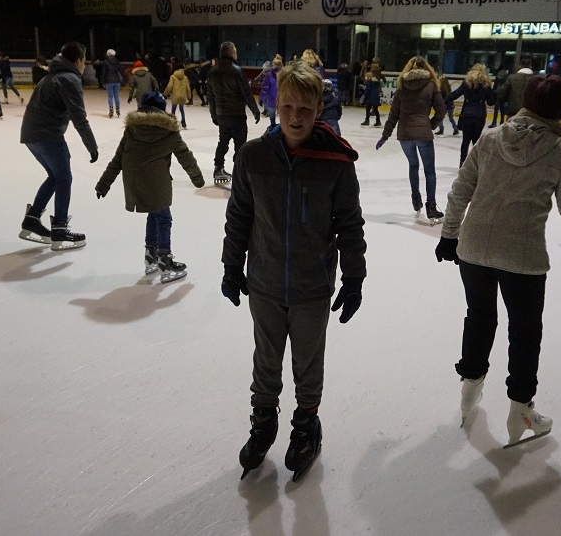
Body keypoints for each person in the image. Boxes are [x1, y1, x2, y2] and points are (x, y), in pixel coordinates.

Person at [434, 74, 561, 448]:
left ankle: (469, 389)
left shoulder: (490, 138)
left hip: (473, 248)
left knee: (479, 318)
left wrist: (450, 235)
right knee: (525, 332)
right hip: (522, 257)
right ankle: (522, 411)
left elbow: (460, 190)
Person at [222, 61, 366, 483]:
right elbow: (239, 216)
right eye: (287, 106)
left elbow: (349, 225)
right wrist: (231, 265)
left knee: (307, 362)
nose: (295, 117)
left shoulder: (336, 161)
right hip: (265, 281)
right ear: (275, 105)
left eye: (305, 108)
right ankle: (264, 421)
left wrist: (354, 278)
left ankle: (306, 424)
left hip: (311, 286)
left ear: (319, 108)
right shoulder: (253, 156)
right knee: (266, 360)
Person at [94, 91, 205, 282]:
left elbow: (118, 158)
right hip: (156, 182)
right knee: (164, 218)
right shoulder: (169, 131)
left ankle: (150, 255)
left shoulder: (132, 129)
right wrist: (198, 179)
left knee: (154, 214)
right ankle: (164, 260)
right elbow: (185, 157)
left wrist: (104, 184)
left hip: (134, 181)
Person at [18, 41, 99, 251]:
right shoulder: (69, 79)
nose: (84, 65)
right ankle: (60, 229)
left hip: (31, 135)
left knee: (55, 177)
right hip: (48, 136)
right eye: (84, 61)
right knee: (64, 179)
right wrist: (92, 145)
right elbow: (78, 116)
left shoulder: (51, 76)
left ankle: (32, 219)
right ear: (78, 60)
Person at [376, 55, 446, 221]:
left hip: (405, 135)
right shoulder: (431, 85)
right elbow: (441, 111)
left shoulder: (402, 86)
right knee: (429, 171)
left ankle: (416, 199)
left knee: (413, 166)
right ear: (426, 68)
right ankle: (431, 207)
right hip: (423, 135)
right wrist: (430, 125)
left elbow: (393, 114)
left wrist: (385, 135)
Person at [206, 41, 261, 185]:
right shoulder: (237, 71)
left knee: (223, 141)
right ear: (231, 53)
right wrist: (255, 111)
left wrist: (214, 114)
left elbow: (210, 96)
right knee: (240, 144)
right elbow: (246, 93)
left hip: (221, 114)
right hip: (236, 114)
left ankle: (218, 167)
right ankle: (239, 170)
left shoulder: (213, 71)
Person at [446, 63, 496, 166]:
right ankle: (476, 165)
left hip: (467, 114)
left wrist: (445, 101)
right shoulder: (486, 84)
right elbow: (491, 102)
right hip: (479, 115)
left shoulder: (467, 83)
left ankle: (462, 163)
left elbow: (455, 94)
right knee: (476, 141)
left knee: (465, 140)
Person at [163, 60, 191, 129]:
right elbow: (188, 87)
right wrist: (189, 96)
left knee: (173, 109)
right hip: (183, 95)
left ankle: (173, 121)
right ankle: (183, 121)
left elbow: (169, 86)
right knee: (182, 109)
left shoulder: (173, 77)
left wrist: (165, 93)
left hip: (175, 95)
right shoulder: (185, 77)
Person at [259, 54, 283, 127]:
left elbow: (265, 88)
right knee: (283, 119)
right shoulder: (284, 74)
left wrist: (261, 98)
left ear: (273, 64)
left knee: (272, 120)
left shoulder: (269, 74)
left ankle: (273, 128)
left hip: (271, 100)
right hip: (282, 100)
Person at [102, 49, 125, 119]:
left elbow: (103, 73)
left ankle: (111, 109)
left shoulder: (105, 62)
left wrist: (102, 81)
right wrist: (125, 78)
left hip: (109, 81)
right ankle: (117, 109)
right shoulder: (117, 61)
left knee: (110, 97)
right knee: (117, 96)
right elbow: (121, 70)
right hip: (117, 81)